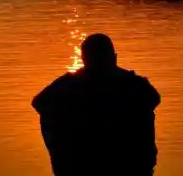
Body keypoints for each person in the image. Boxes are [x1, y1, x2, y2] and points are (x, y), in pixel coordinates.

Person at [32, 33, 161, 176]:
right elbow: (40, 103)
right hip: (86, 163)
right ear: (114, 58)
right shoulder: (72, 83)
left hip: (124, 163)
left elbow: (153, 99)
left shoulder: (131, 84)